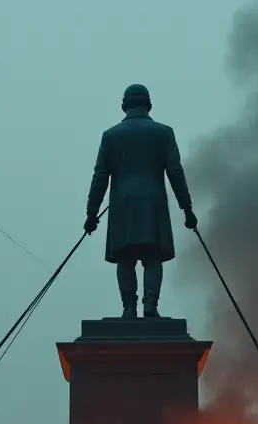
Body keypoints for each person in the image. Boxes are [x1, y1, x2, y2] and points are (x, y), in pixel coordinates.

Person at [85, 83, 197, 319]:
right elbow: (175, 171)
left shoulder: (111, 135)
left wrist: (91, 214)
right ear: (148, 104)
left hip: (122, 206)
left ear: (124, 105)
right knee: (152, 257)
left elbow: (100, 177)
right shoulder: (163, 133)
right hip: (153, 203)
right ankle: (150, 304)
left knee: (125, 258)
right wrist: (186, 208)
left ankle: (128, 307)